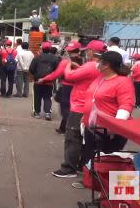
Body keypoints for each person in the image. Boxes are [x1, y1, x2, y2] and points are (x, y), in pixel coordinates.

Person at [51, 40, 104, 178]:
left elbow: (69, 76)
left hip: (80, 105)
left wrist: (68, 65)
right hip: (90, 105)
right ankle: (81, 165)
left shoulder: (92, 65)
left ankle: (69, 168)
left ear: (91, 51)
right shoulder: (99, 66)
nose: (85, 52)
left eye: (88, 50)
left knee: (72, 137)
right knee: (84, 138)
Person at [80, 51, 134, 167]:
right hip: (93, 127)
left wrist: (115, 126)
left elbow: (126, 105)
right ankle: (91, 180)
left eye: (99, 61)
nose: (97, 63)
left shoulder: (123, 82)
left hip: (109, 132)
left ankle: (101, 183)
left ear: (106, 65)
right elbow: (91, 97)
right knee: (91, 158)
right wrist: (84, 118)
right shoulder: (101, 78)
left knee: (105, 162)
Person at [39, 41, 82, 134]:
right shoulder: (84, 61)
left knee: (65, 109)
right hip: (79, 88)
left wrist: (43, 79)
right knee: (73, 107)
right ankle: (63, 128)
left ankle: (69, 128)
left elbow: (56, 74)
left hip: (66, 87)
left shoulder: (66, 62)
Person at [29, 42, 60, 120]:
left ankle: (37, 113)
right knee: (48, 97)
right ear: (50, 49)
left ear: (42, 49)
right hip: (49, 82)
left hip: (37, 81)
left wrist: (35, 75)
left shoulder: (37, 58)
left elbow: (31, 69)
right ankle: (47, 113)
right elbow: (57, 70)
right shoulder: (55, 58)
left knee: (37, 97)